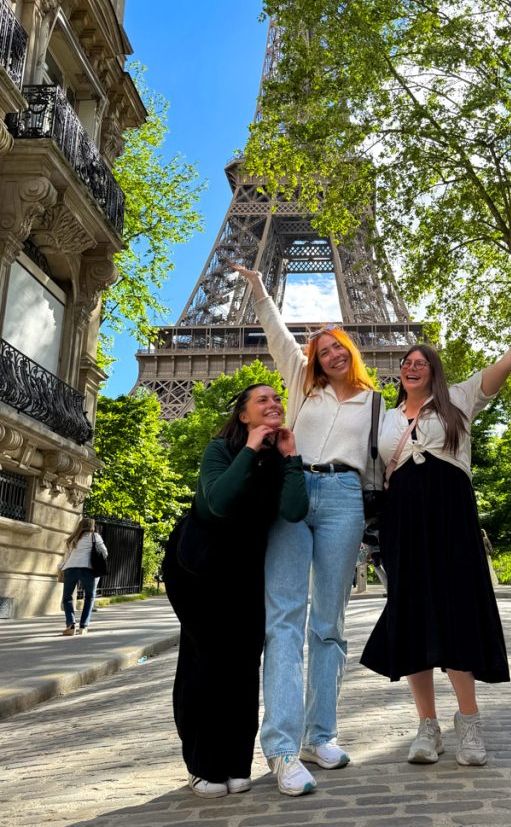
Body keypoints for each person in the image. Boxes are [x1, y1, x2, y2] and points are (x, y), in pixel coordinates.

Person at [361, 310, 511, 767]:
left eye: (422, 361)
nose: (412, 365)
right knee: (412, 616)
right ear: (399, 372)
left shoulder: (459, 399)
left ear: (434, 371)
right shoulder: (383, 416)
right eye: (406, 361)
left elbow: (507, 363)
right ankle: (427, 727)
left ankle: (470, 723)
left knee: (457, 612)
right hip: (404, 521)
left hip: (451, 519)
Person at [232, 265, 384, 797]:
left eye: (339, 348)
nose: (332, 356)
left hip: (345, 497)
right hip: (293, 492)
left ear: (351, 351)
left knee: (329, 624)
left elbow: (396, 450)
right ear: (315, 359)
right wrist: (256, 287)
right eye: (323, 351)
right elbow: (277, 336)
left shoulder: (375, 402)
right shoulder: (300, 385)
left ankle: (321, 735)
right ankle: (280, 748)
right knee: (285, 621)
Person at [162, 384, 309, 799]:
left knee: (244, 664)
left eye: (278, 399)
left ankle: (235, 763)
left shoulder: (280, 459)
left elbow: (296, 510)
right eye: (263, 400)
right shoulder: (220, 450)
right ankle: (202, 764)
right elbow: (217, 505)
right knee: (206, 661)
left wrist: (292, 456)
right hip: (198, 566)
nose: (274, 404)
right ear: (244, 416)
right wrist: (249, 448)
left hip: (245, 571)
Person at [59, 517, 108, 636]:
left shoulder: (73, 538)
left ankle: (70, 626)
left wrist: (61, 567)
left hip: (70, 569)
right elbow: (105, 552)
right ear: (92, 526)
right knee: (89, 597)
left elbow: (66, 557)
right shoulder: (95, 536)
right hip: (87, 569)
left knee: (67, 598)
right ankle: (83, 627)